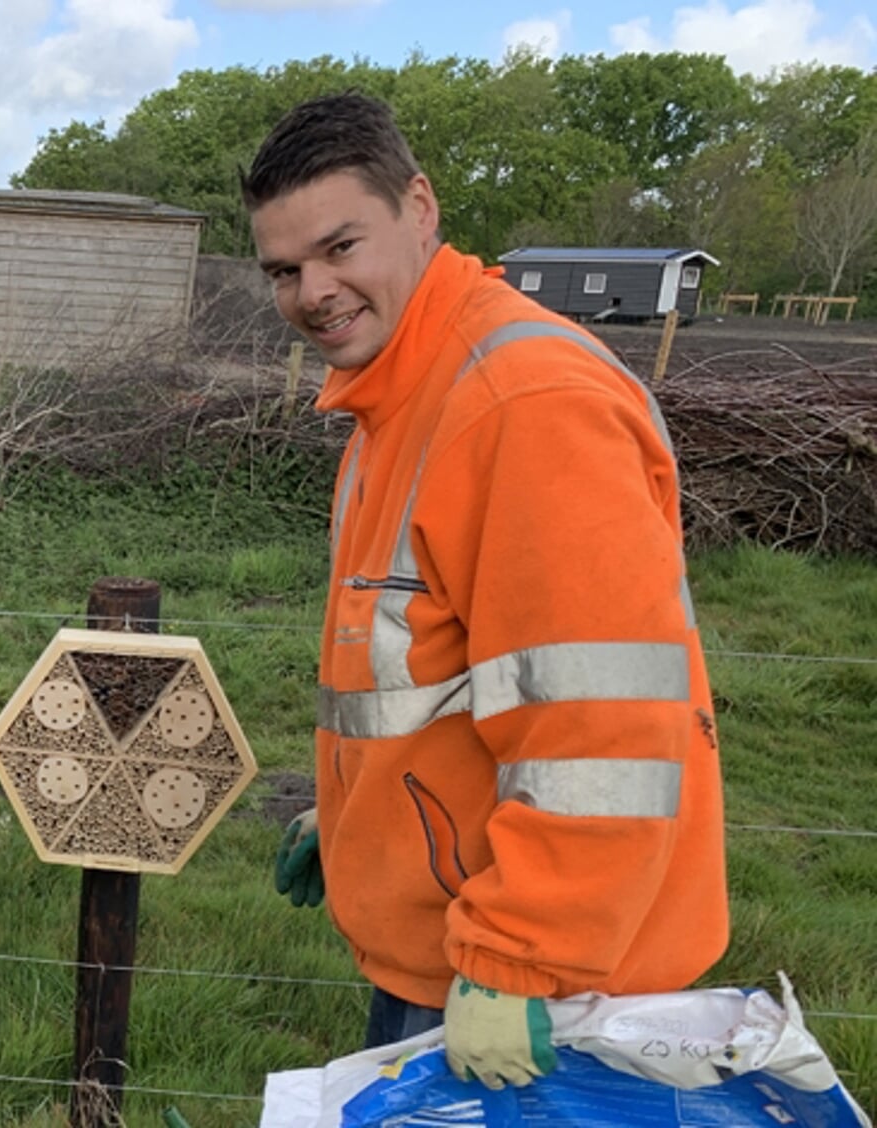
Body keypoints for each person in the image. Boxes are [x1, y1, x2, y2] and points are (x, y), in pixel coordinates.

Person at [245, 94, 728, 1090]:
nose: (314, 291)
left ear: (419, 207)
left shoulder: (521, 404)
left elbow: (602, 723)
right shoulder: (405, 392)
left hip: (541, 985)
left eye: (342, 246)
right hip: (455, 936)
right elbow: (432, 676)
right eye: (285, 270)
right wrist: (351, 826)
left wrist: (520, 958)